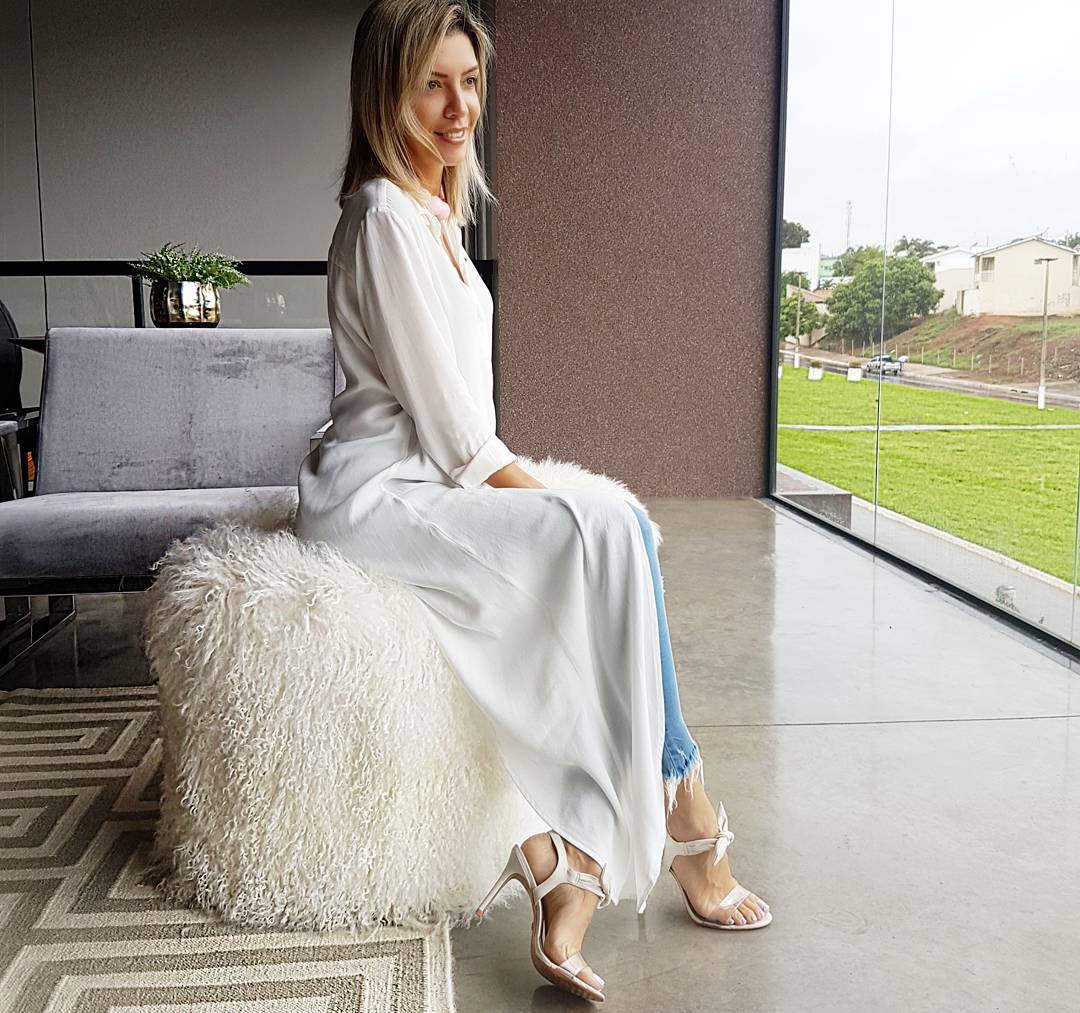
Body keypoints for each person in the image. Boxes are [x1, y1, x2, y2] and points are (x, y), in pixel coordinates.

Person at [293, 0, 771, 1001]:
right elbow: (454, 432)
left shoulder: (436, 214)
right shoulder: (383, 217)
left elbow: (463, 430)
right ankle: (667, 817)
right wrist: (555, 502)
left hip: (429, 481)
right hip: (378, 495)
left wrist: (565, 502)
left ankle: (599, 841)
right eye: (432, 84)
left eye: (470, 81)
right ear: (385, 93)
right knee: (603, 529)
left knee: (618, 527)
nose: (459, 106)